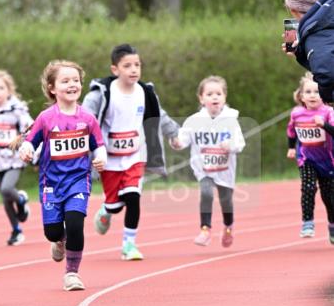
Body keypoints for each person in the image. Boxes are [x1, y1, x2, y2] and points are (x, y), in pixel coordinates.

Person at [82, 43, 179, 260]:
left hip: (136, 155)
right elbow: (85, 116)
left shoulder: (145, 92)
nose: (134, 70)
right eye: (127, 66)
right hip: (109, 159)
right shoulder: (102, 94)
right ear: (115, 69)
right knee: (116, 206)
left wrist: (174, 134)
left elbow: (159, 115)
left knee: (133, 197)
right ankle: (106, 210)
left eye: (137, 65)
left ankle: (129, 245)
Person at [18, 59, 105, 291]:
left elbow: (98, 145)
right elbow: (30, 142)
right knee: (53, 232)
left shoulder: (88, 118)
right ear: (52, 88)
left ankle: (72, 274)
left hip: (78, 180)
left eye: (76, 80)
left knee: (75, 224)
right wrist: (26, 150)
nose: (72, 84)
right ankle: (59, 241)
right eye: (65, 81)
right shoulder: (46, 118)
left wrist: (101, 158)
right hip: (52, 183)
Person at [171, 76, 245, 247]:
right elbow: (182, 141)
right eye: (209, 94)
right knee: (206, 193)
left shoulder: (231, 120)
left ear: (224, 97)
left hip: (225, 169)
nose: (214, 97)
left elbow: (240, 144)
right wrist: (175, 142)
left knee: (226, 201)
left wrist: (230, 146)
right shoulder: (193, 121)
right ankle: (205, 229)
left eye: (218, 93)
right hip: (203, 168)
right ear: (201, 98)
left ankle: (228, 227)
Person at [0, 70, 32, 245]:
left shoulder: (17, 109)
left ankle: (22, 200)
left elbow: (29, 128)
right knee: (5, 197)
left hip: (13, 158)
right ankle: (16, 230)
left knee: (6, 189)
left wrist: (24, 143)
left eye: (1, 88)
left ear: (9, 91)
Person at [286, 75, 334, 242]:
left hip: (328, 161)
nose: (312, 95)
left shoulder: (328, 112)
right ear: (301, 96)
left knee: (329, 198)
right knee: (308, 187)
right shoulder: (297, 114)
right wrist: (291, 148)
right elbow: (291, 131)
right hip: (306, 158)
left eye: (317, 91)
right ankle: (307, 222)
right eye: (308, 92)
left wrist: (324, 125)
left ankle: (332, 224)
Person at [283, 0, 334, 104]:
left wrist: (327, 98)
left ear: (292, 9)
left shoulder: (315, 37)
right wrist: (302, 52)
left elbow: (326, 74)